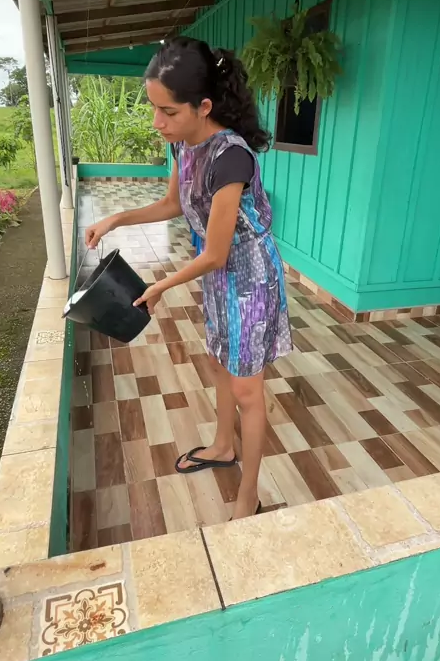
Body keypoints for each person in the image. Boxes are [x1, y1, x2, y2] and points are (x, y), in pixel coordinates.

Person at [85, 37, 293, 520]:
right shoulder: (185, 144)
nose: (157, 122)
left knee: (248, 391)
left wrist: (158, 286)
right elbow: (172, 204)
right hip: (219, 276)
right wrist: (116, 219)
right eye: (153, 108)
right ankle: (222, 446)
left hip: (250, 280)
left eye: (168, 111)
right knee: (219, 363)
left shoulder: (231, 158)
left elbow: (217, 253)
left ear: (203, 107)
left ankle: (249, 496)